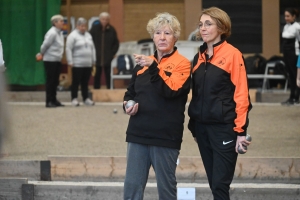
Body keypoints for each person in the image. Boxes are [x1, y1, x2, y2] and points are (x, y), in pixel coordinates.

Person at [123, 13, 191, 200]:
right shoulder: (142, 65)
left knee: (166, 190)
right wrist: (127, 105)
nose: (162, 37)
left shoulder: (182, 64)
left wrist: (154, 66)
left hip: (165, 136)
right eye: (158, 32)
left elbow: (170, 91)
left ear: (175, 37)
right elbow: (130, 93)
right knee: (131, 190)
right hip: (138, 133)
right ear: (152, 36)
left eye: (167, 33)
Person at [187, 7, 252, 200]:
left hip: (224, 129)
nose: (203, 29)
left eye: (208, 24)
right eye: (200, 25)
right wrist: (194, 127)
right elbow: (196, 94)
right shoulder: (198, 57)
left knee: (220, 185)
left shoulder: (233, 55)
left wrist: (240, 132)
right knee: (213, 183)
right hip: (202, 129)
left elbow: (242, 95)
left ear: (222, 27)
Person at [66, 18, 96, 106]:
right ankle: (74, 98)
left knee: (85, 82)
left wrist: (93, 60)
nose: (83, 28)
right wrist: (70, 61)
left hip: (88, 63)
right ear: (77, 26)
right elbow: (68, 49)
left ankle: (86, 98)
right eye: (81, 26)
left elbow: (92, 48)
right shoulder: (72, 36)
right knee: (76, 82)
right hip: (77, 63)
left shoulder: (88, 35)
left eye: (84, 26)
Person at [37, 15, 65, 108]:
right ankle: (49, 101)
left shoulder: (60, 33)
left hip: (57, 60)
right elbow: (45, 45)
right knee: (50, 81)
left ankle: (54, 99)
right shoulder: (52, 33)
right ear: (55, 23)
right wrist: (41, 53)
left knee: (55, 81)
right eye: (61, 21)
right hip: (50, 60)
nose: (62, 23)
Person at [90, 12, 119, 89]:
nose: (104, 21)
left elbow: (116, 43)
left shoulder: (112, 30)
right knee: (97, 75)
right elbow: (89, 41)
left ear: (108, 20)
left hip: (108, 57)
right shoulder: (94, 29)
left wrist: (112, 53)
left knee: (108, 74)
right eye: (103, 19)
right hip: (96, 56)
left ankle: (110, 88)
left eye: (106, 19)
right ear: (100, 19)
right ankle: (96, 90)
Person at [281, 8, 300, 105]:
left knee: (295, 76)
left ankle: (296, 97)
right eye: (285, 16)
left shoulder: (297, 27)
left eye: (288, 16)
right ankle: (292, 96)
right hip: (287, 54)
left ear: (294, 16)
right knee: (290, 76)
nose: (286, 18)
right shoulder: (286, 27)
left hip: (294, 54)